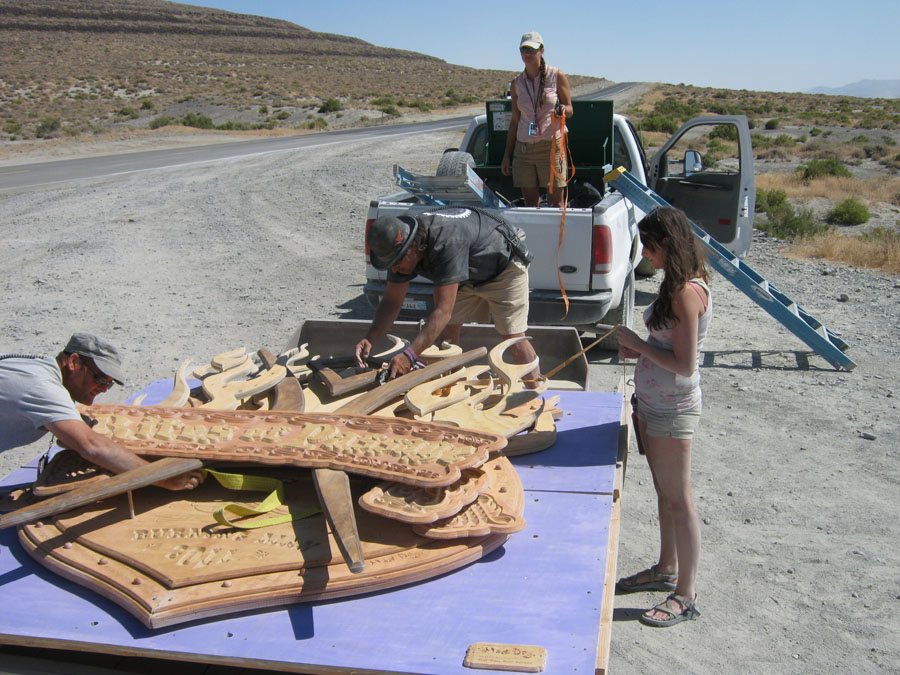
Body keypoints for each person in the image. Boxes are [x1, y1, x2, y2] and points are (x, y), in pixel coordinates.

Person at [613, 206, 711, 627]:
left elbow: (686, 363)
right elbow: (667, 344)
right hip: (654, 405)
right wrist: (640, 349)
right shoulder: (674, 285)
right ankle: (666, 567)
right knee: (663, 493)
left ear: (667, 244)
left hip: (674, 409)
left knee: (679, 498)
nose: (645, 256)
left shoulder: (686, 292)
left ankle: (685, 594)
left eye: (649, 248)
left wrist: (639, 344)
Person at [0, 332, 203, 491]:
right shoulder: (41, 386)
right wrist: (163, 478)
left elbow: (68, 438)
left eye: (110, 383)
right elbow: (92, 447)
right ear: (73, 362)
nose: (104, 388)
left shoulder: (41, 370)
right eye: (100, 379)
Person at [355, 208, 539, 381]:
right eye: (391, 263)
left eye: (397, 261)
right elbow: (392, 302)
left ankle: (534, 396)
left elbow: (443, 311)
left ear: (412, 247)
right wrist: (370, 337)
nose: (394, 269)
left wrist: (409, 355)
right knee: (447, 338)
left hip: (503, 269)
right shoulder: (401, 253)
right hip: (465, 273)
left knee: (513, 338)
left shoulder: (447, 242)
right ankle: (452, 387)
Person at [500, 31, 573, 207]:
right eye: (524, 50)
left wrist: (563, 110)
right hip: (524, 149)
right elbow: (515, 122)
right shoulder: (516, 83)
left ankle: (557, 235)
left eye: (532, 50)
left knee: (556, 204)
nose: (527, 54)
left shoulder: (556, 75)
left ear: (541, 50)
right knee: (530, 203)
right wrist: (506, 155)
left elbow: (570, 109)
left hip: (551, 147)